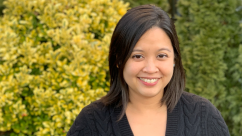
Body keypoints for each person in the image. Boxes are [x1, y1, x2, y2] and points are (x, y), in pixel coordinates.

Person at [67, 4, 230, 136]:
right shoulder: (91, 122)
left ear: (174, 58)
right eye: (137, 56)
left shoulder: (203, 115)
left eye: (161, 55)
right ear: (118, 59)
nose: (151, 69)